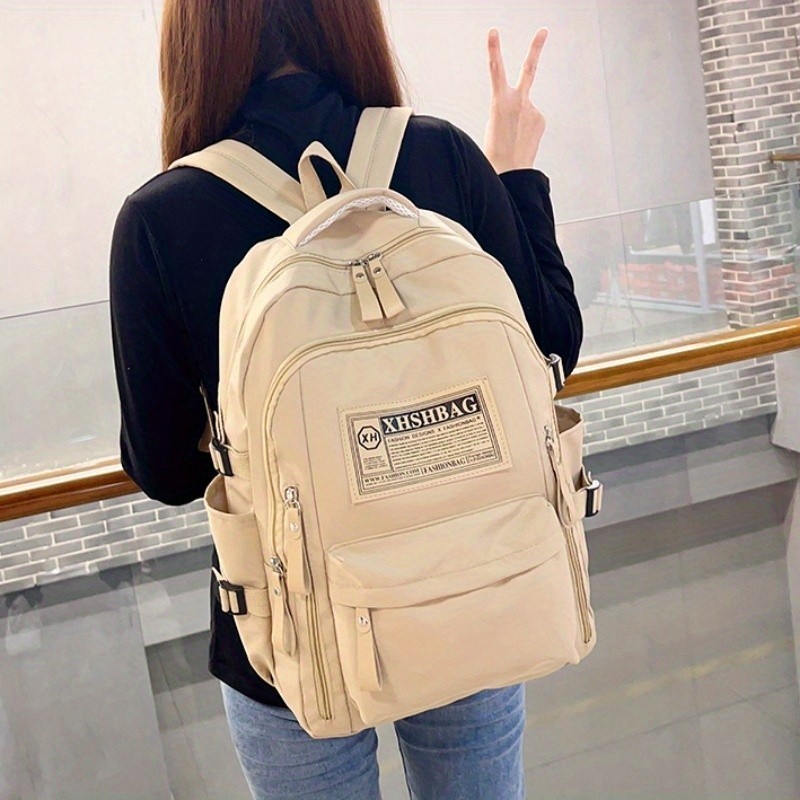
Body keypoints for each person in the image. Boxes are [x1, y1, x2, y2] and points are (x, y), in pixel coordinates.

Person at [109, 2, 583, 797]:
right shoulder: (441, 155)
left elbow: (166, 470)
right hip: (476, 589)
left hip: (291, 630)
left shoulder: (161, 217)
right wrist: (514, 178)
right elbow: (553, 348)